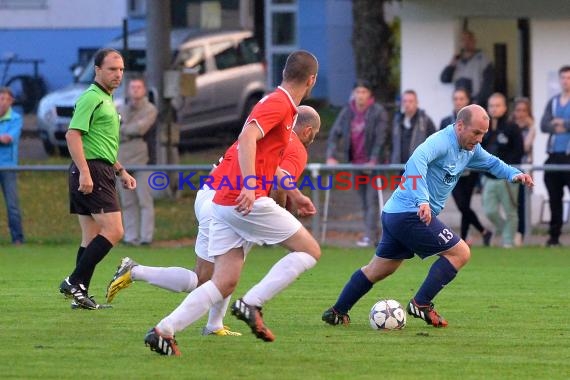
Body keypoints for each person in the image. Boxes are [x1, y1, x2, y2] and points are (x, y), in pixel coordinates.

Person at [142, 50, 320, 356]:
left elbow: (269, 160)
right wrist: (251, 185)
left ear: (284, 72)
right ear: (311, 80)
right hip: (243, 199)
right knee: (310, 250)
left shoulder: (283, 107)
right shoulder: (279, 103)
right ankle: (252, 304)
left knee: (222, 282)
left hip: (223, 202)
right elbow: (247, 136)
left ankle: (164, 330)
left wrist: (296, 195)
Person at [104, 105, 321, 338]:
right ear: (308, 131)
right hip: (230, 200)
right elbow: (281, 182)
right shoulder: (295, 147)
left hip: (212, 194)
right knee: (206, 279)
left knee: (226, 268)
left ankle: (214, 325)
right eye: (315, 135)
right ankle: (138, 275)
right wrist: (280, 211)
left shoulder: (264, 131)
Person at [322, 104, 533, 328]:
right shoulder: (441, 141)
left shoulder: (469, 148)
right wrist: (422, 199)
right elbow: (415, 162)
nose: (479, 139)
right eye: (476, 133)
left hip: (396, 214)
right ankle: (421, 303)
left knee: (378, 269)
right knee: (460, 252)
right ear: (460, 126)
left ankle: (337, 311)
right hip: (410, 213)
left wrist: (514, 174)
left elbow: (491, 162)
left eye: (483, 134)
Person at [58, 48, 136, 310]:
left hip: (97, 168)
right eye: (112, 69)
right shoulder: (91, 97)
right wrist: (85, 172)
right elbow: (73, 135)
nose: (118, 74)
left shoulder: (106, 99)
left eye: (122, 69)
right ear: (97, 70)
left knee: (90, 237)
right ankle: (74, 280)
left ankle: (80, 294)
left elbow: (99, 144)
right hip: (91, 171)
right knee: (115, 230)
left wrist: (121, 170)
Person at [326, 79, 390, 247]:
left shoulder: (378, 112)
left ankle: (371, 236)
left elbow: (381, 138)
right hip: (355, 163)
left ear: (369, 94)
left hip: (373, 166)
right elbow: (335, 133)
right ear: (353, 94)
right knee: (363, 200)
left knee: (372, 200)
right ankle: (371, 235)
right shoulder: (348, 111)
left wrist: (374, 160)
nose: (360, 95)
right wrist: (331, 156)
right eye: (358, 92)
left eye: (363, 92)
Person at [441, 88, 492, 246]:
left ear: (467, 100)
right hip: (452, 170)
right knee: (462, 205)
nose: (458, 101)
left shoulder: (476, 120)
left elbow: (481, 142)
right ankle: (483, 231)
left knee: (465, 205)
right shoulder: (445, 121)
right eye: (456, 98)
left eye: (461, 98)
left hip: (469, 171)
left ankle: (462, 239)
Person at [117, 76, 158, 246]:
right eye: (132, 87)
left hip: (143, 161)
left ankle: (146, 237)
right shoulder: (121, 109)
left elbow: (140, 129)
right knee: (127, 202)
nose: (135, 90)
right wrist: (126, 130)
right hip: (122, 162)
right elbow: (112, 130)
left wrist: (124, 129)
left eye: (138, 87)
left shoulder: (150, 109)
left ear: (144, 90)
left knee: (144, 200)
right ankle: (130, 237)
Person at [481, 93, 524, 248]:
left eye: (498, 105)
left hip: (507, 177)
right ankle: (507, 231)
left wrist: (505, 168)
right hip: (488, 177)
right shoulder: (483, 128)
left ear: (505, 108)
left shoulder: (512, 128)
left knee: (510, 211)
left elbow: (519, 151)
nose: (494, 109)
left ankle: (508, 242)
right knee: (489, 210)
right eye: (491, 105)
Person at [541, 65, 570, 247]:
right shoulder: (553, 102)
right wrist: (556, 126)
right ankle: (554, 237)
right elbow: (544, 124)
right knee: (554, 199)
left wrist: (564, 123)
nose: (565, 81)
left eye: (568, 78)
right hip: (553, 156)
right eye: (563, 78)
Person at [440, 29, 495, 108]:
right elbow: (444, 79)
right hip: (460, 104)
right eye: (463, 40)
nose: (466, 42)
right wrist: (451, 65)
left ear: (474, 41)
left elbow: (488, 85)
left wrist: (478, 102)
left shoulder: (483, 59)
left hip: (476, 104)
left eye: (469, 39)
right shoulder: (457, 61)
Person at [509, 97, 535, 246]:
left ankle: (521, 233)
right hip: (512, 168)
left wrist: (527, 130)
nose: (520, 113)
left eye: (524, 110)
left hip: (525, 167)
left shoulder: (530, 127)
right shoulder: (510, 126)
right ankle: (511, 233)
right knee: (512, 203)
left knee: (522, 203)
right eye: (518, 110)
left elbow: (525, 147)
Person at [0, 87, 24, 245]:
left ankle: (18, 239)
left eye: (4, 99)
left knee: (12, 205)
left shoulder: (16, 118)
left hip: (8, 167)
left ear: (11, 101)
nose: (1, 103)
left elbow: (7, 139)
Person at [391, 89, 436, 164]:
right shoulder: (397, 121)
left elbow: (435, 145)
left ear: (416, 103)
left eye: (410, 101)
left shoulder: (425, 121)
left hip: (419, 168)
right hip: (398, 169)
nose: (407, 104)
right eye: (405, 101)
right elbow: (393, 145)